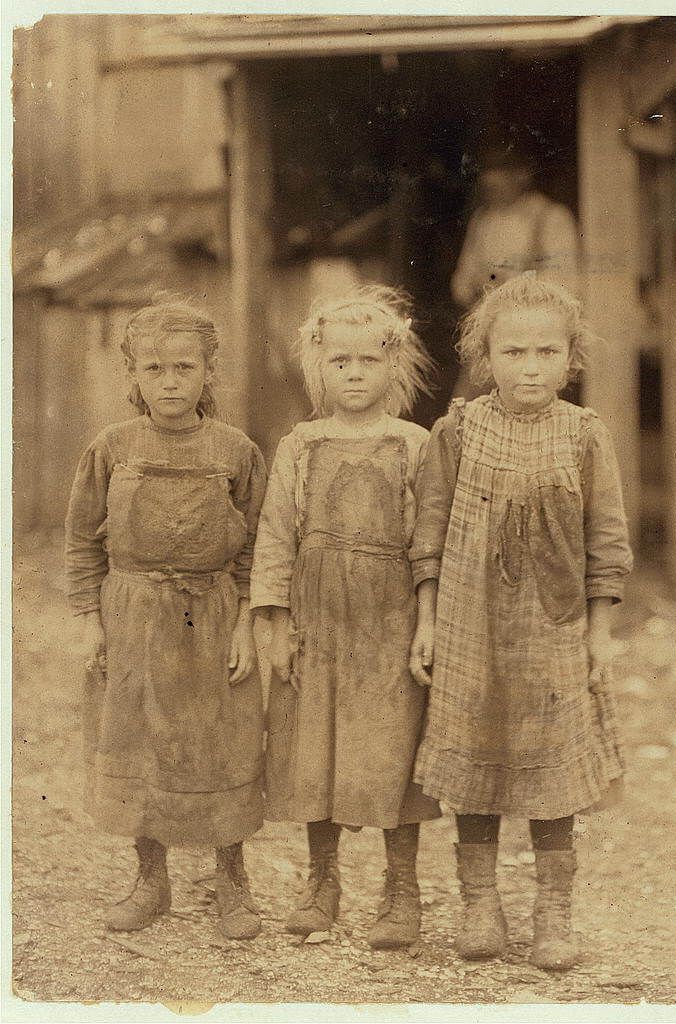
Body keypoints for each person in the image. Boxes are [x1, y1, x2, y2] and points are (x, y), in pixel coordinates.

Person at [409, 272, 632, 966]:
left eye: (545, 353)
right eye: (513, 353)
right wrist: (425, 621)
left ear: (570, 359)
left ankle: (553, 912)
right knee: (472, 757)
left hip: (553, 629)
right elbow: (429, 533)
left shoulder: (585, 435)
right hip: (468, 624)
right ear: (485, 358)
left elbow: (607, 540)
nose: (530, 367)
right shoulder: (460, 430)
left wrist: (598, 634)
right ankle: (480, 905)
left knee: (552, 768)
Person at [65, 298, 267, 940]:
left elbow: (259, 545)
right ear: (133, 375)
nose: (171, 380)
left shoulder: (236, 450)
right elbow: (80, 543)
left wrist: (246, 627)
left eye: (185, 366)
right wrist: (92, 622)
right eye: (155, 368)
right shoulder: (111, 448)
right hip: (133, 615)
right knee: (139, 742)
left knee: (221, 743)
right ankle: (150, 881)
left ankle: (231, 881)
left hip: (213, 615)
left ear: (211, 371)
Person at [250, 285, 440, 950]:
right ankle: (321, 884)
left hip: (388, 623)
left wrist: (427, 621)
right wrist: (272, 621)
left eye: (367, 360)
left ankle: (402, 891)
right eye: (340, 362)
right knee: (315, 752)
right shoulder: (299, 447)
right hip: (318, 621)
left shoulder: (415, 445)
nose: (354, 373)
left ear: (393, 366)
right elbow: (275, 536)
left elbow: (429, 546)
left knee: (393, 752)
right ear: (317, 367)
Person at [450, 145, 580, 401]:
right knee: (469, 410)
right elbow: (461, 284)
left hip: (538, 336)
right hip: (492, 335)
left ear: (522, 175)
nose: (490, 184)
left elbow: (569, 285)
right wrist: (479, 284)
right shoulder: (483, 220)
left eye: (500, 173)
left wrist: (515, 285)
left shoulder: (551, 217)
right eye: (487, 176)